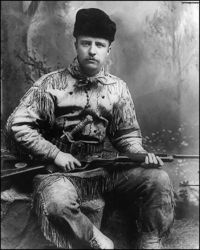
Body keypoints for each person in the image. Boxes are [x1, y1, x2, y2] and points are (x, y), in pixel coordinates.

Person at [6, 8, 175, 249]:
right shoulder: (50, 84)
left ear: (109, 49)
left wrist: (139, 154)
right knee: (57, 203)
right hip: (58, 173)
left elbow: (127, 135)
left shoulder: (118, 88)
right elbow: (19, 125)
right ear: (76, 44)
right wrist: (56, 154)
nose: (92, 51)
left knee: (158, 179)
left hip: (101, 171)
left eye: (99, 44)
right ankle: (93, 237)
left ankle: (150, 239)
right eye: (86, 43)